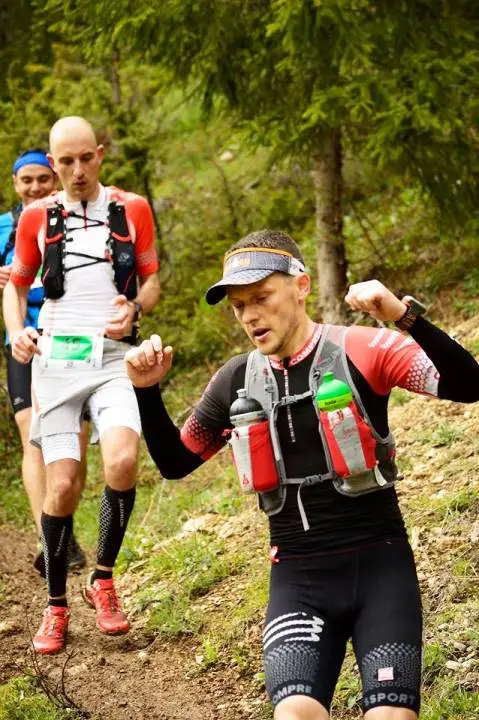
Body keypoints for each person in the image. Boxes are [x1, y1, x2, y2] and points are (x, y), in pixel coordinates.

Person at [124, 229, 479, 720]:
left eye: (261, 297)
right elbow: (176, 462)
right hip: (298, 580)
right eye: (239, 306)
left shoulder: (363, 349)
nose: (250, 315)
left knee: (392, 717)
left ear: (301, 286)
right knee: (295, 714)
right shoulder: (236, 380)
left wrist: (403, 315)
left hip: (381, 569)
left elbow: (469, 384)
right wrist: (146, 391)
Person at [3, 117, 161, 655]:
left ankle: (103, 579)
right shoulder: (36, 216)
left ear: (100, 154)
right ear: (53, 165)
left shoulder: (132, 208)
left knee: (122, 460)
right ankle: (55, 606)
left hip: (114, 358)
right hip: (57, 364)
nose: (76, 171)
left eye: (84, 158)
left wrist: (134, 305)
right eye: (64, 162)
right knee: (64, 485)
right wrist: (17, 332)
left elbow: (152, 280)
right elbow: (15, 286)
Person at [0, 149, 87, 576]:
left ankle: (61, 520)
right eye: (26, 180)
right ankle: (49, 537)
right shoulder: (3, 228)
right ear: (15, 184)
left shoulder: (77, 217)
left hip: (72, 338)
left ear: (54, 179)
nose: (35, 187)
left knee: (75, 434)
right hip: (22, 342)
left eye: (42, 179)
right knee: (30, 430)